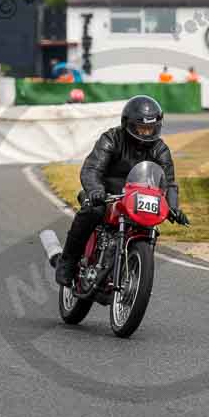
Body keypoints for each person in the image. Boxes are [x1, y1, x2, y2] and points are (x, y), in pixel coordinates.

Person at [55, 95, 190, 286]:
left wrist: (174, 207)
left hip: (137, 199)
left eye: (150, 128)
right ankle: (67, 261)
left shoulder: (160, 150)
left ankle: (134, 268)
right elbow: (92, 168)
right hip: (105, 196)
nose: (145, 133)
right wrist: (95, 190)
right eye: (141, 128)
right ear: (127, 124)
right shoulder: (111, 138)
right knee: (92, 211)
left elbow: (168, 182)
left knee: (150, 225)